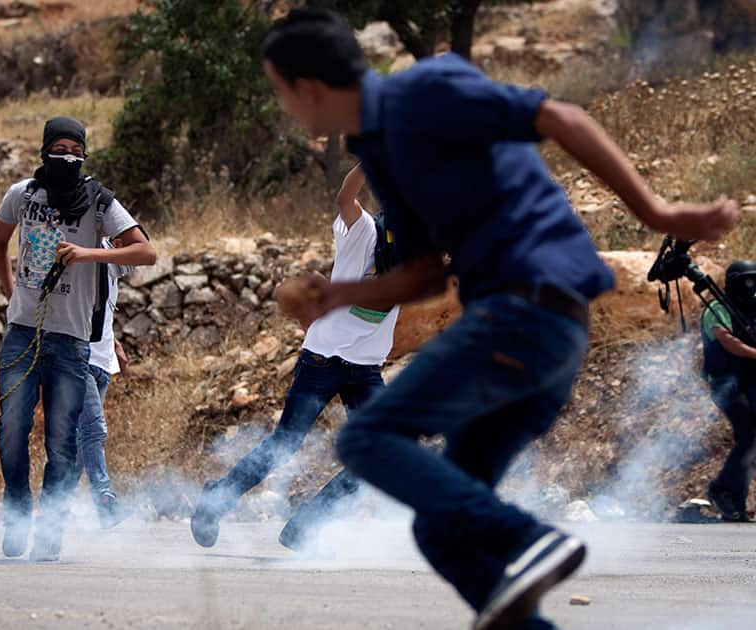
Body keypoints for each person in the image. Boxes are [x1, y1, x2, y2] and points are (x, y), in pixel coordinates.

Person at [261, 9, 738, 630]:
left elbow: (561, 117)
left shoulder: (425, 91)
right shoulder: (381, 154)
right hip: (532, 332)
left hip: (530, 308)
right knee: (443, 531)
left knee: (364, 438)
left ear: (308, 87)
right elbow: (427, 275)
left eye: (280, 93)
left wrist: (659, 213)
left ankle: (528, 537)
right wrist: (335, 294)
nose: (287, 111)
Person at [191, 162, 399, 551]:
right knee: (285, 443)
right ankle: (216, 498)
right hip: (323, 360)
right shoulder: (364, 233)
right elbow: (344, 198)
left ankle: (306, 524)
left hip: (365, 369)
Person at [0, 116, 156, 561]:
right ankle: (18, 509)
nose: (66, 157)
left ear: (84, 153)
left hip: (71, 342)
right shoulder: (22, 195)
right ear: (43, 150)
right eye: (58, 149)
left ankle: (50, 531)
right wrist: (11, 295)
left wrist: (88, 253)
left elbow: (146, 251)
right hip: (24, 334)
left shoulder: (99, 202)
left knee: (63, 445)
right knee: (11, 431)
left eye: (74, 150)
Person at [78, 237, 133, 529]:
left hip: (102, 362)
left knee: (79, 447)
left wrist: (116, 344)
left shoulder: (110, 256)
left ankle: (54, 512)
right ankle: (105, 499)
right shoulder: (84, 248)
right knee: (94, 430)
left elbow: (103, 314)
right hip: (78, 359)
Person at [701, 260, 756, 522]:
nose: (752, 287)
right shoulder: (717, 309)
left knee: (752, 441)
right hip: (726, 382)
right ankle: (721, 490)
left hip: (749, 380)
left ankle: (734, 500)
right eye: (748, 281)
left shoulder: (751, 310)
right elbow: (727, 341)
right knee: (748, 436)